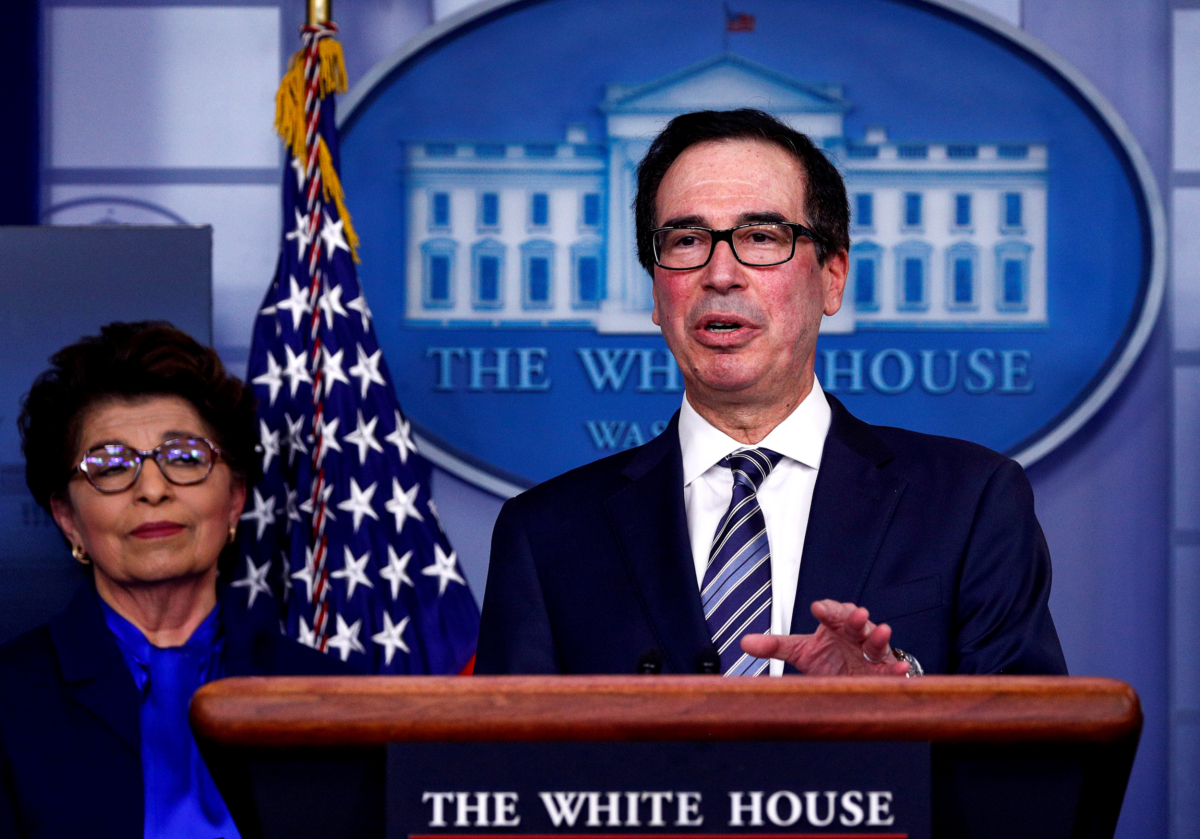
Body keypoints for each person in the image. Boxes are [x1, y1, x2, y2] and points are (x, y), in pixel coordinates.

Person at [476, 109, 1067, 678]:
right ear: (656, 294)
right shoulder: (546, 535)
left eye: (760, 237)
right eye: (685, 241)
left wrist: (902, 696)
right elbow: (502, 772)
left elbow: (1030, 760)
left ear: (832, 277)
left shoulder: (970, 503)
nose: (721, 273)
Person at [0, 322, 350, 839]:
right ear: (68, 519)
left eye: (184, 457)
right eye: (112, 465)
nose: (153, 489)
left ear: (234, 501)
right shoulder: (9, 703)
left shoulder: (331, 697)